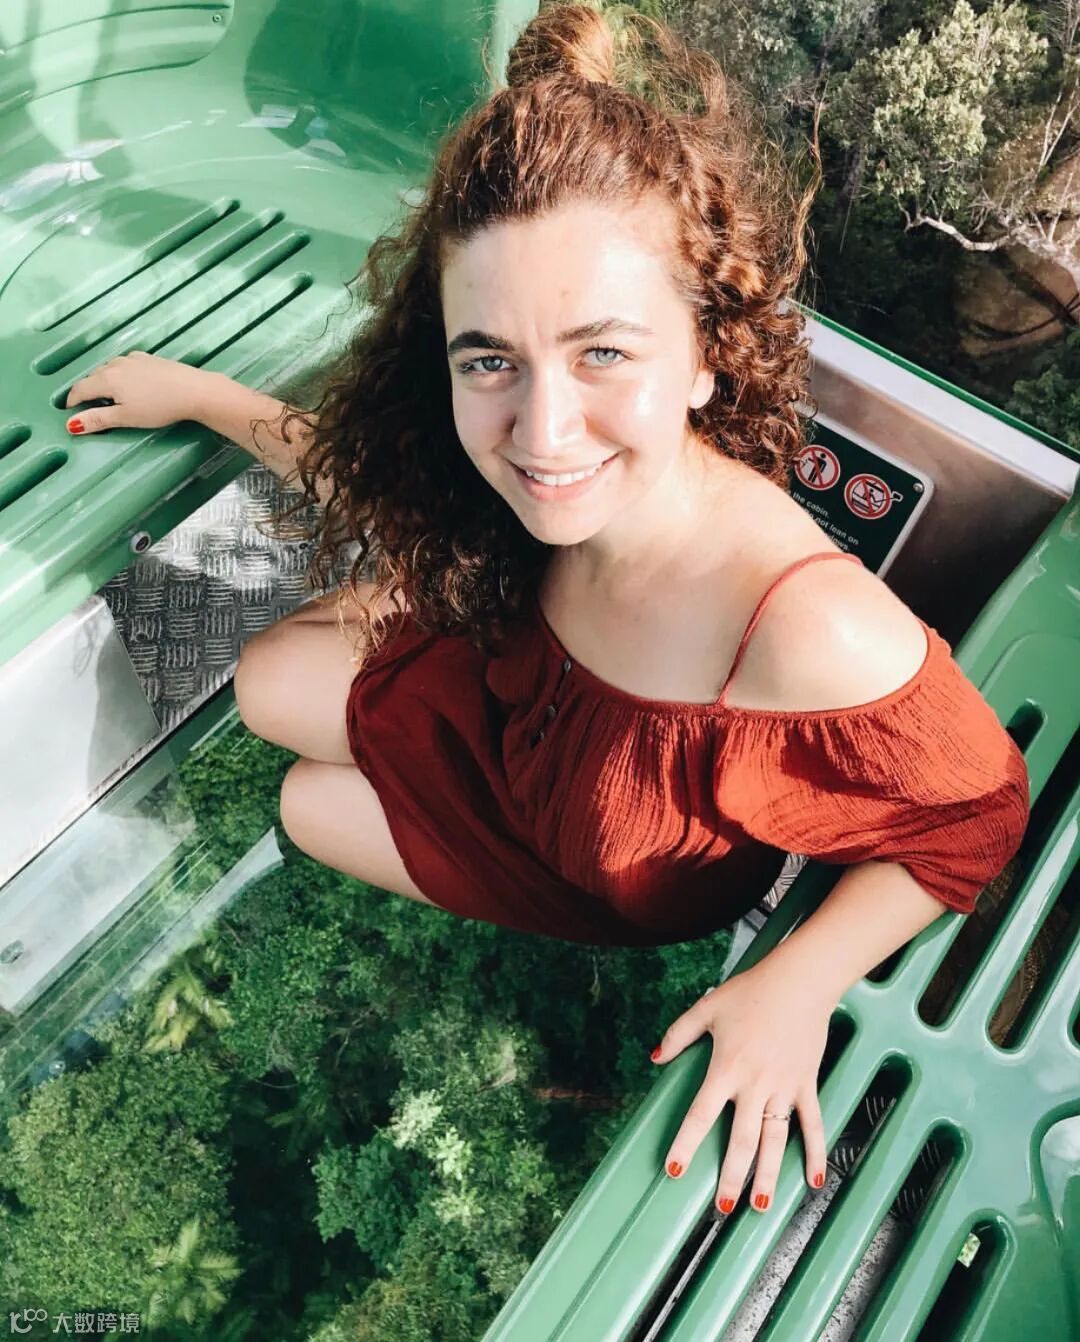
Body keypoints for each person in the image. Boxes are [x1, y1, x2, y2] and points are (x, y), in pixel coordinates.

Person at [63, 1, 1029, 1221]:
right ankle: (415, 600)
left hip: (598, 857)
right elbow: (370, 476)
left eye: (603, 352)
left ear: (705, 354)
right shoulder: (528, 487)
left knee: (305, 806)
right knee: (263, 683)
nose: (544, 430)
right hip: (513, 709)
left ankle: (408, 608)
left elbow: (981, 817)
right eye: (490, 359)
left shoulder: (800, 625)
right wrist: (199, 395)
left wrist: (801, 979)